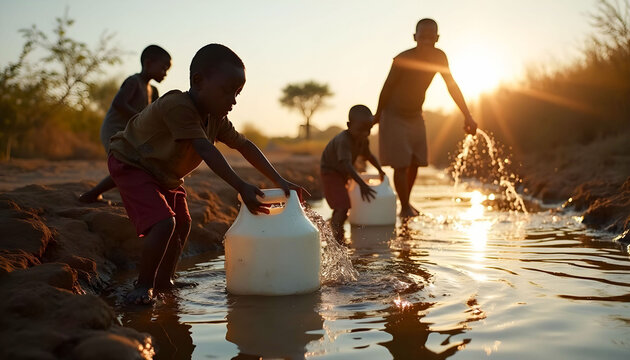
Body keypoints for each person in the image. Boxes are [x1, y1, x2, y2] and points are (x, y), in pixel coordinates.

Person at [107, 43, 307, 304]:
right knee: (164, 223)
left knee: (183, 222)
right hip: (133, 163)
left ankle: (164, 281)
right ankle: (143, 286)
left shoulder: (216, 118)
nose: (233, 100)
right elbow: (205, 149)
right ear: (198, 81)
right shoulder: (178, 106)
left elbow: (244, 145)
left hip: (164, 172)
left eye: (238, 93)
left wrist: (279, 181)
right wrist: (240, 186)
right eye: (227, 91)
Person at [374, 18, 478, 218]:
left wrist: (467, 115)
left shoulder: (440, 57)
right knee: (401, 164)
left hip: (415, 115)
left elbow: (451, 86)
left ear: (437, 38)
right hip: (394, 114)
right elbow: (386, 88)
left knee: (415, 161)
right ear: (415, 37)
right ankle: (404, 207)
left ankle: (406, 202)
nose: (427, 41)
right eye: (423, 37)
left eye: (431, 37)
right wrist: (378, 115)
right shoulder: (402, 59)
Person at [79, 45, 172, 203]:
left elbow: (156, 116)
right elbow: (119, 104)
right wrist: (142, 119)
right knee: (127, 166)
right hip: (114, 131)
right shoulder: (133, 81)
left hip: (129, 135)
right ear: (148, 63)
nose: (165, 73)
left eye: (167, 70)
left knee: (136, 165)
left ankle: (95, 194)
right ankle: (92, 195)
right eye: (163, 68)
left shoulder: (153, 91)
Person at [320, 105, 385, 243]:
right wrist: (362, 184)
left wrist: (380, 169)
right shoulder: (344, 140)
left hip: (343, 174)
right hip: (330, 173)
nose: (365, 133)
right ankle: (336, 239)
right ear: (349, 125)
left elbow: (369, 156)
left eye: (368, 129)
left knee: (342, 207)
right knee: (342, 206)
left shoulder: (363, 139)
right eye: (360, 129)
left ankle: (333, 230)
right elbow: (346, 164)